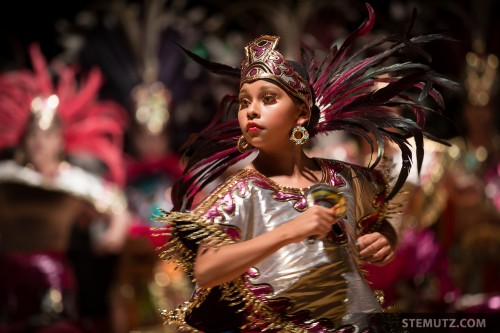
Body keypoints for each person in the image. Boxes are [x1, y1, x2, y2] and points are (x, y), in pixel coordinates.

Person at [155, 3, 458, 332]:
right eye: (244, 102)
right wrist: (290, 231)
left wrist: (385, 238)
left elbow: (379, 221)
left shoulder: (347, 178)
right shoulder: (239, 195)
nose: (251, 112)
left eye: (268, 98)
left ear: (301, 114)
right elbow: (207, 269)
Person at [0, 43, 130, 333]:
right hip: (6, 276)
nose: (38, 143)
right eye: (33, 135)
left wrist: (114, 233)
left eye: (46, 136)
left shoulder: (74, 181)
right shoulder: (8, 175)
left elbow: (116, 204)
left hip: (51, 277)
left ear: (60, 140)